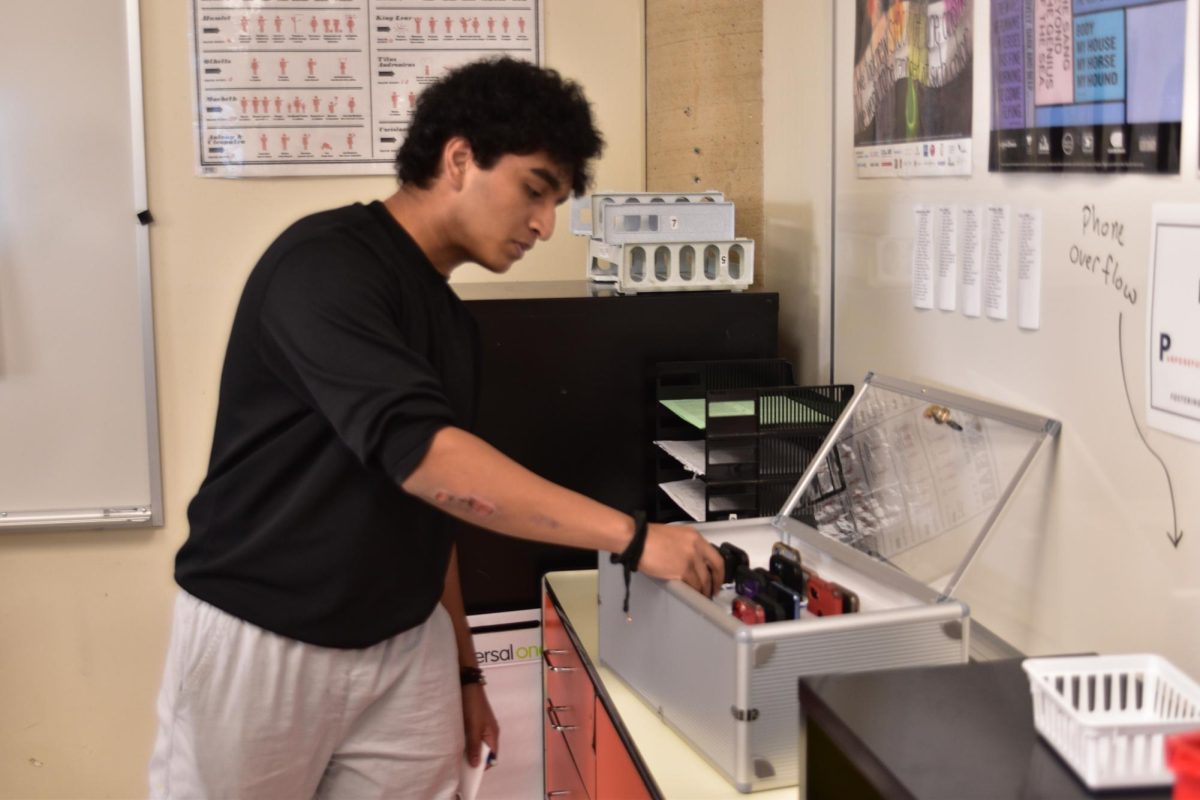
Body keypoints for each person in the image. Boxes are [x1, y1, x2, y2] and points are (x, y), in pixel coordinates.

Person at [149, 57, 724, 799]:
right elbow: (432, 463)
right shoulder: (323, 267)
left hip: (404, 641)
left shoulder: (451, 323)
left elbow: (436, 507)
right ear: (459, 159)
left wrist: (463, 669)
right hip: (264, 639)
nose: (546, 225)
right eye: (535, 190)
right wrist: (636, 538)